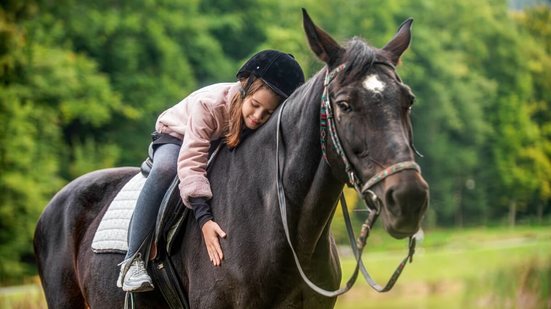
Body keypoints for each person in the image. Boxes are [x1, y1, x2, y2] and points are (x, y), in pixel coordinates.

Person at [117, 50, 305, 292]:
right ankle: (132, 260)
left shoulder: (258, 119)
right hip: (178, 136)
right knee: (165, 169)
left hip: (220, 137)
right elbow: (192, 161)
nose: (258, 116)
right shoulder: (210, 105)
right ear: (244, 88)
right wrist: (204, 219)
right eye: (255, 105)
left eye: (267, 113)